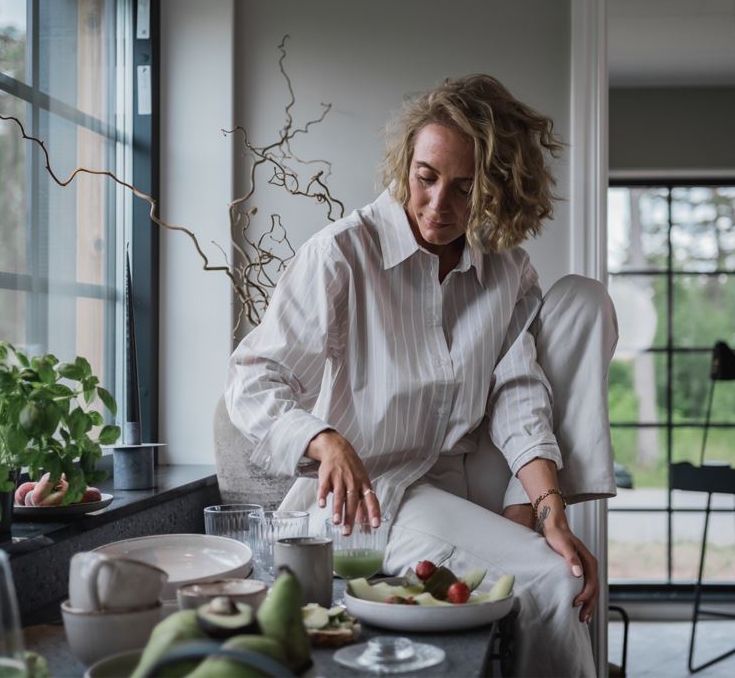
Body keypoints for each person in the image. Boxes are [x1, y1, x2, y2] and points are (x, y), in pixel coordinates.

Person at [226, 74, 618, 677]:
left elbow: (518, 391)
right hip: (383, 496)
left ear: (496, 189)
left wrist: (547, 507)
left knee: (583, 300)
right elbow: (253, 379)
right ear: (405, 164)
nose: (438, 206)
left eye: (465, 188)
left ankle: (529, 517)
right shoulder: (341, 255)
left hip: (471, 471)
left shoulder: (506, 270)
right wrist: (324, 440)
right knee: (554, 580)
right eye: (426, 177)